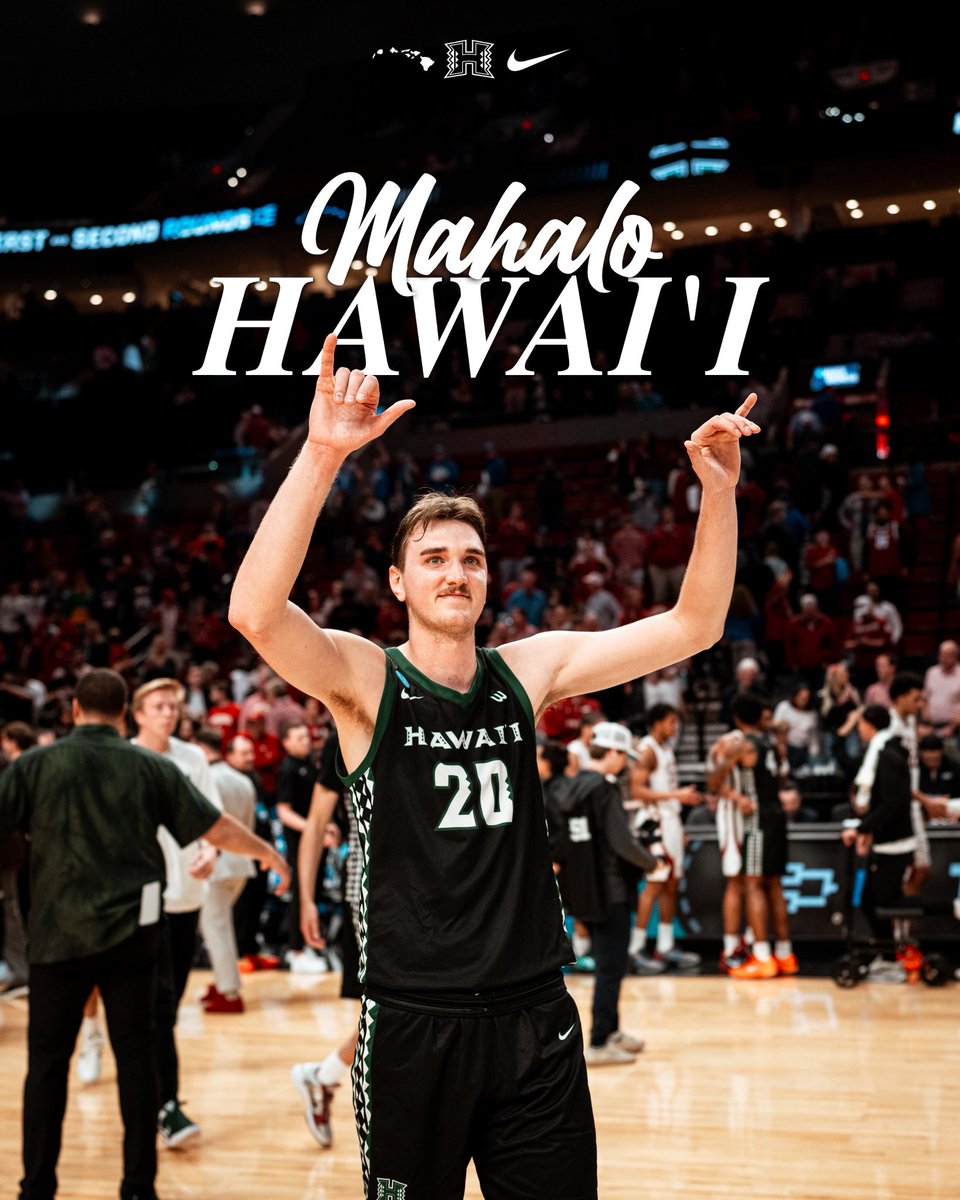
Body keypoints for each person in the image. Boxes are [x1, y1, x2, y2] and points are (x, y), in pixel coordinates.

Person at [228, 332, 759, 1198]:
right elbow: (254, 612)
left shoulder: (527, 670)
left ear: (488, 579)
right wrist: (322, 454)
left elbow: (692, 626)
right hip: (412, 1020)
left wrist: (719, 494)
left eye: (470, 560)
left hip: (534, 1017)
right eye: (434, 559)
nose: (456, 573)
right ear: (398, 583)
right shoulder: (366, 678)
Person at [0, 668, 288, 1200]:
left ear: (74, 710)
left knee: (45, 1067)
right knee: (137, 1061)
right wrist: (267, 852)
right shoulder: (150, 766)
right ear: (123, 712)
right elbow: (214, 827)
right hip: (133, 937)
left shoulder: (34, 765)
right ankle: (138, 1187)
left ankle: (35, 1188)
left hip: (57, 937)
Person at [130, 678, 223, 1148]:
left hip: (188, 895)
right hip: (144, 900)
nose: (169, 713)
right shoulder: (126, 758)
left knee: (169, 1002)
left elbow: (213, 818)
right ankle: (166, 1105)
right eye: (159, 706)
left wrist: (212, 850)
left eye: (174, 706)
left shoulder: (192, 758)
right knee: (160, 1006)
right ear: (138, 714)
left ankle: (150, 1092)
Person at [548, 723, 657, 1064]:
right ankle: (599, 1042)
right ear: (611, 752)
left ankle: (611, 1031)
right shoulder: (604, 789)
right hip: (611, 889)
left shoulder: (568, 786)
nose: (625, 764)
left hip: (583, 889)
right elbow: (622, 843)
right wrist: (650, 861)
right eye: (623, 756)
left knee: (608, 964)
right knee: (611, 967)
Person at [290, 726, 361, 1149]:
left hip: (438, 893)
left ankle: (323, 1075)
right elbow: (316, 824)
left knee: (405, 1015)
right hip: (370, 893)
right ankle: (324, 1076)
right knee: (393, 1013)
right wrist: (306, 899)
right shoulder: (349, 729)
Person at [710, 693, 798, 980]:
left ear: (736, 717)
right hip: (777, 816)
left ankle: (762, 957)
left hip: (758, 819)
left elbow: (714, 781)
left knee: (752, 884)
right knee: (774, 885)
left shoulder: (743, 745)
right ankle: (785, 954)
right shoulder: (770, 742)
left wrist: (721, 759)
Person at [627, 704, 702, 973]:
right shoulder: (647, 750)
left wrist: (679, 824)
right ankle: (635, 949)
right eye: (671, 722)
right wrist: (676, 796)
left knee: (672, 884)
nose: (675, 727)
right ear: (657, 722)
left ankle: (665, 946)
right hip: (655, 823)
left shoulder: (666, 747)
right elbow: (637, 791)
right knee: (654, 885)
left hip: (671, 821)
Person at [195, 729, 256, 1013]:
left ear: (200, 748)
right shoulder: (244, 780)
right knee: (218, 926)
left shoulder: (206, 778)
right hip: (241, 863)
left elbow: (205, 826)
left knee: (215, 928)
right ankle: (222, 983)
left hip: (216, 863)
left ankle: (230, 993)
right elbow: (250, 827)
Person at [274, 720, 326, 973]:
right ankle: (296, 951)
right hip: (299, 841)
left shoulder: (311, 764)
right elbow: (283, 812)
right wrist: (312, 829)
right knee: (301, 894)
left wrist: (325, 827)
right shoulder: (288, 768)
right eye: (299, 738)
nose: (305, 741)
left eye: (306, 736)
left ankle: (310, 943)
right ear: (286, 743)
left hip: (316, 838)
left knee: (314, 892)